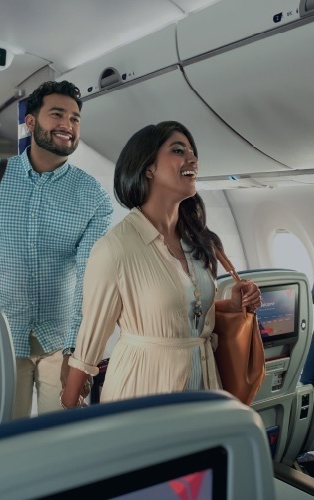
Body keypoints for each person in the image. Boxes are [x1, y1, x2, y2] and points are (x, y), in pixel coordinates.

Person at [60, 121, 262, 407]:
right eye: (178, 151)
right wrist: (69, 407)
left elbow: (182, 312)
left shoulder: (199, 241)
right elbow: (91, 338)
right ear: (148, 168)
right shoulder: (115, 248)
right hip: (144, 389)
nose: (192, 159)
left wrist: (231, 305)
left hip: (204, 387)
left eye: (193, 152)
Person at [0, 80, 113, 419]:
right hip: (0, 340)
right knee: (3, 437)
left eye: (75, 118)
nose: (68, 125)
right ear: (32, 122)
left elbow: (88, 276)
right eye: (57, 114)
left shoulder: (92, 194)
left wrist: (77, 353)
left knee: (63, 440)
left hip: (60, 340)